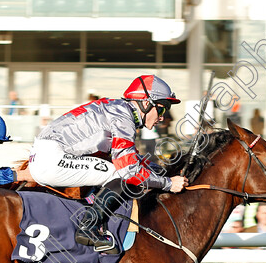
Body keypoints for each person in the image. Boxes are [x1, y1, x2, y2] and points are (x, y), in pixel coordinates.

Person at [26, 75, 188, 251]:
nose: (162, 117)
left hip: (47, 154)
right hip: (52, 158)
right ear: (146, 103)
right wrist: (168, 184)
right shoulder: (123, 116)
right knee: (120, 175)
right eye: (162, 109)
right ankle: (89, 228)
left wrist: (155, 171)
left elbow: (124, 155)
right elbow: (128, 170)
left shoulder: (118, 109)